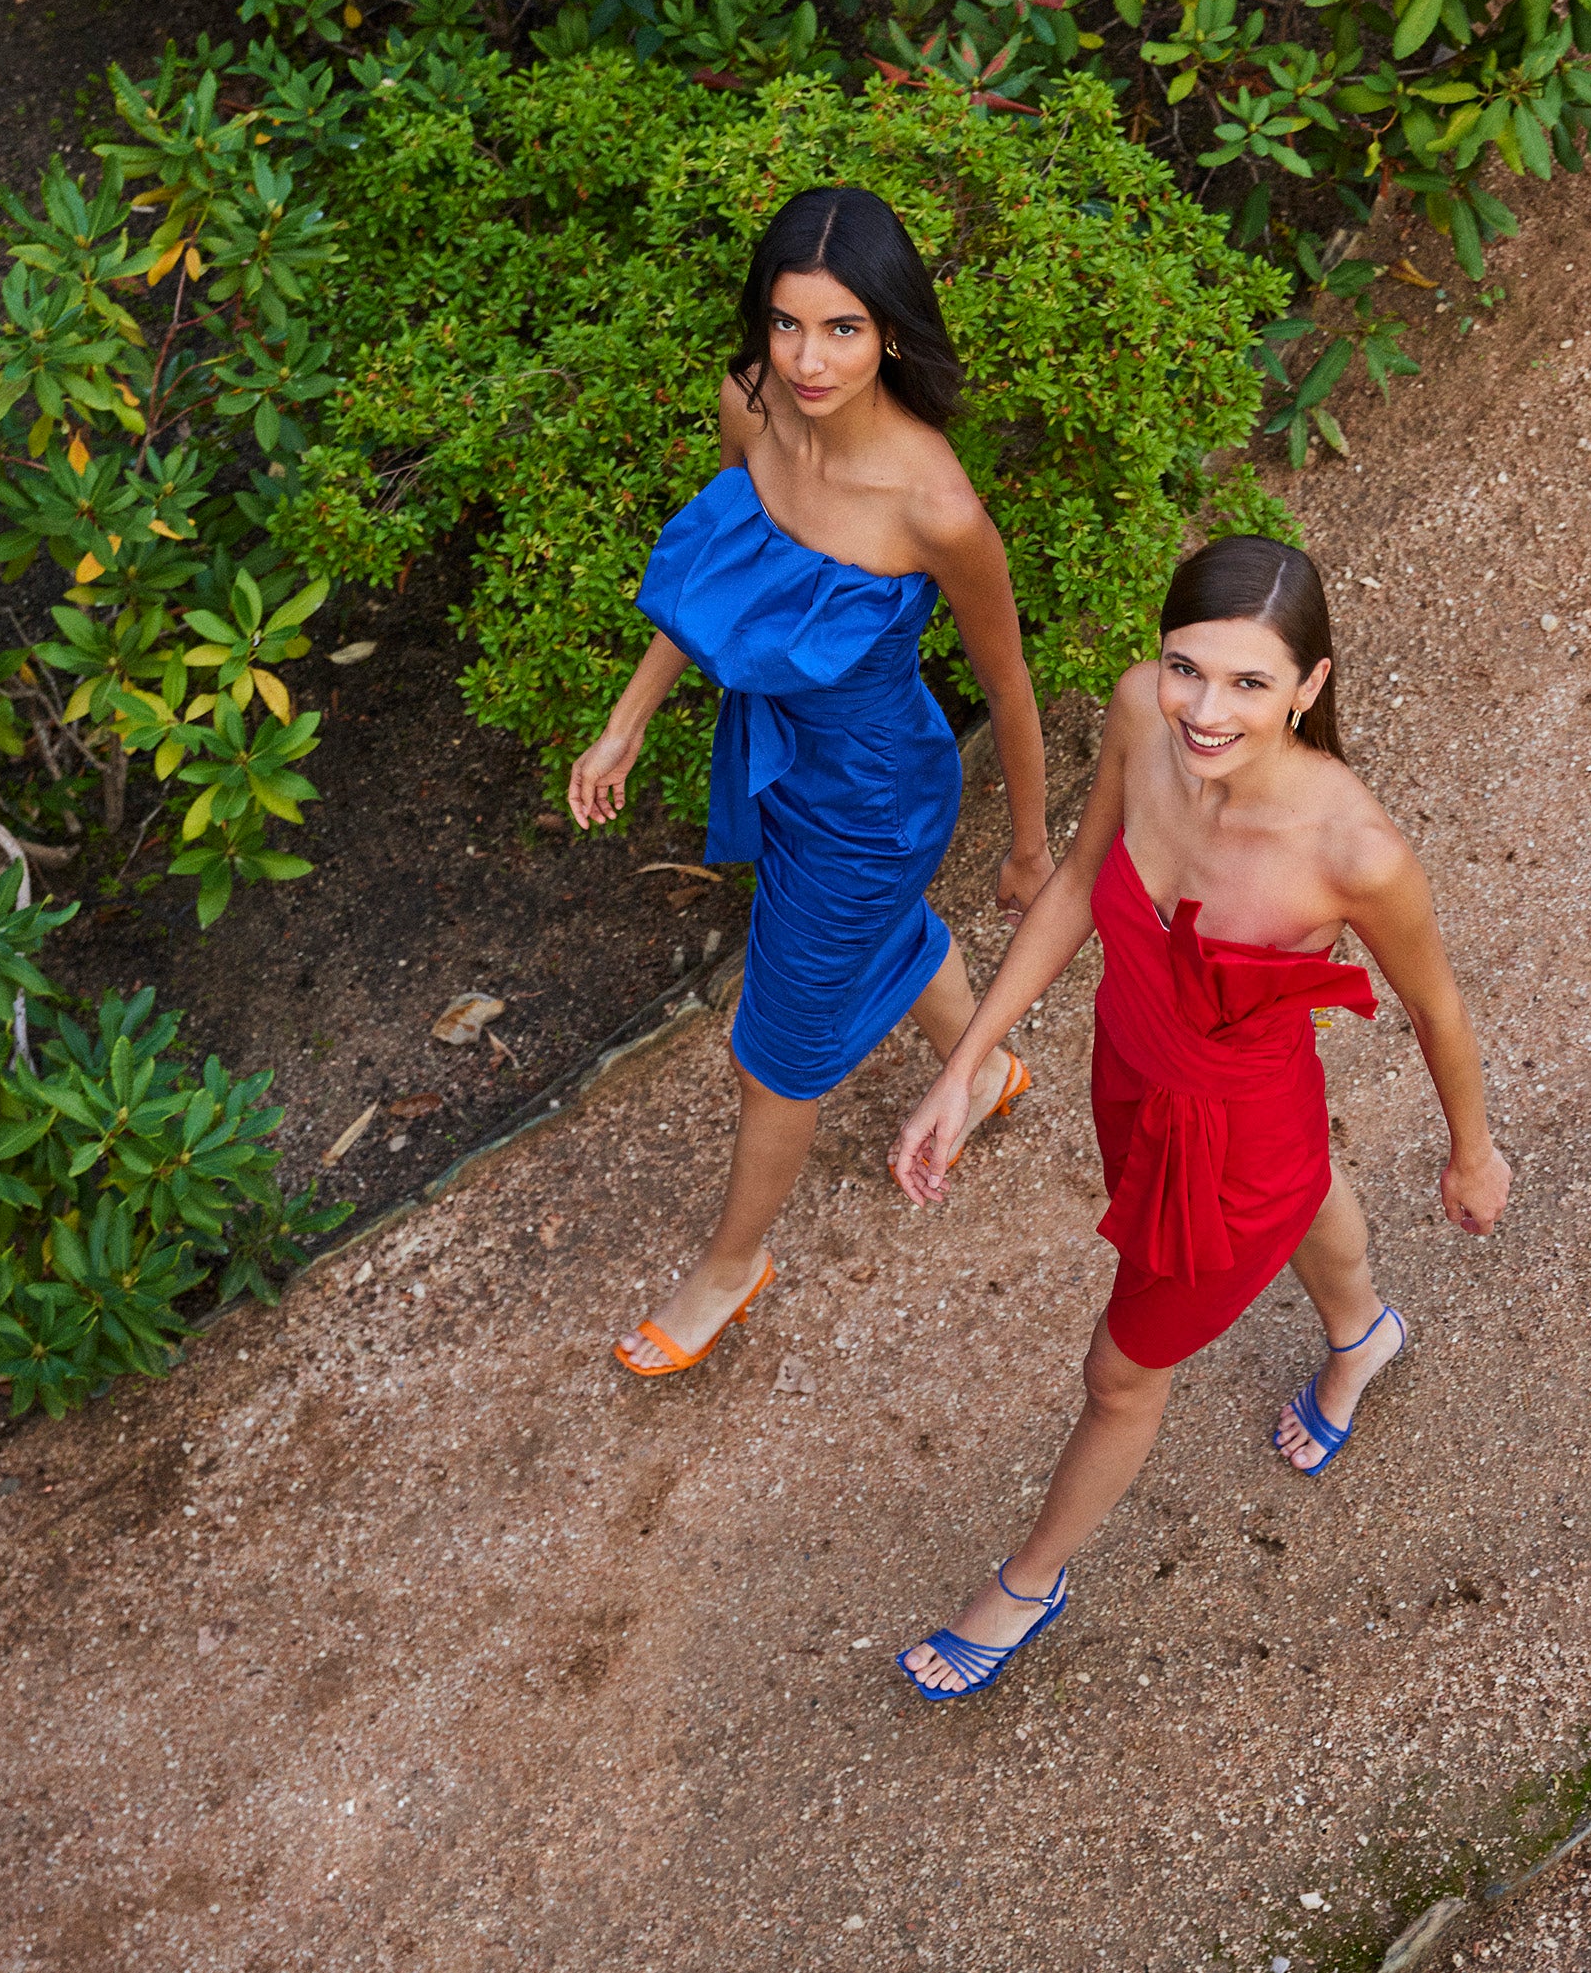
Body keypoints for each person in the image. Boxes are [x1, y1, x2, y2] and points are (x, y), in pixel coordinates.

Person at [887, 533, 1509, 1698]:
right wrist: (965, 1065)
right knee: (1306, 1184)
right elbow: (1078, 882)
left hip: (1235, 1144)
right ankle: (1362, 1330)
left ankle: (1030, 1581)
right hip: (1130, 1070)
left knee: (1121, 1374)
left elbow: (1437, 1008)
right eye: (1187, 667)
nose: (1203, 710)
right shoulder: (1140, 711)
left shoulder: (1355, 852)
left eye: (1248, 682)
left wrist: (1472, 1153)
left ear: (1311, 686)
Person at [569, 185, 1053, 1377]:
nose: (808, 357)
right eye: (788, 324)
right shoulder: (751, 406)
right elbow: (729, 575)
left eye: (841, 328)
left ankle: (732, 1262)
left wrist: (1032, 848)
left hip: (875, 796)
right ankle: (982, 1067)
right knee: (861, 941)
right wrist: (627, 721)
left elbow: (1009, 690)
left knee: (774, 1046)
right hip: (778, 754)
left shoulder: (936, 505)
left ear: (889, 327)